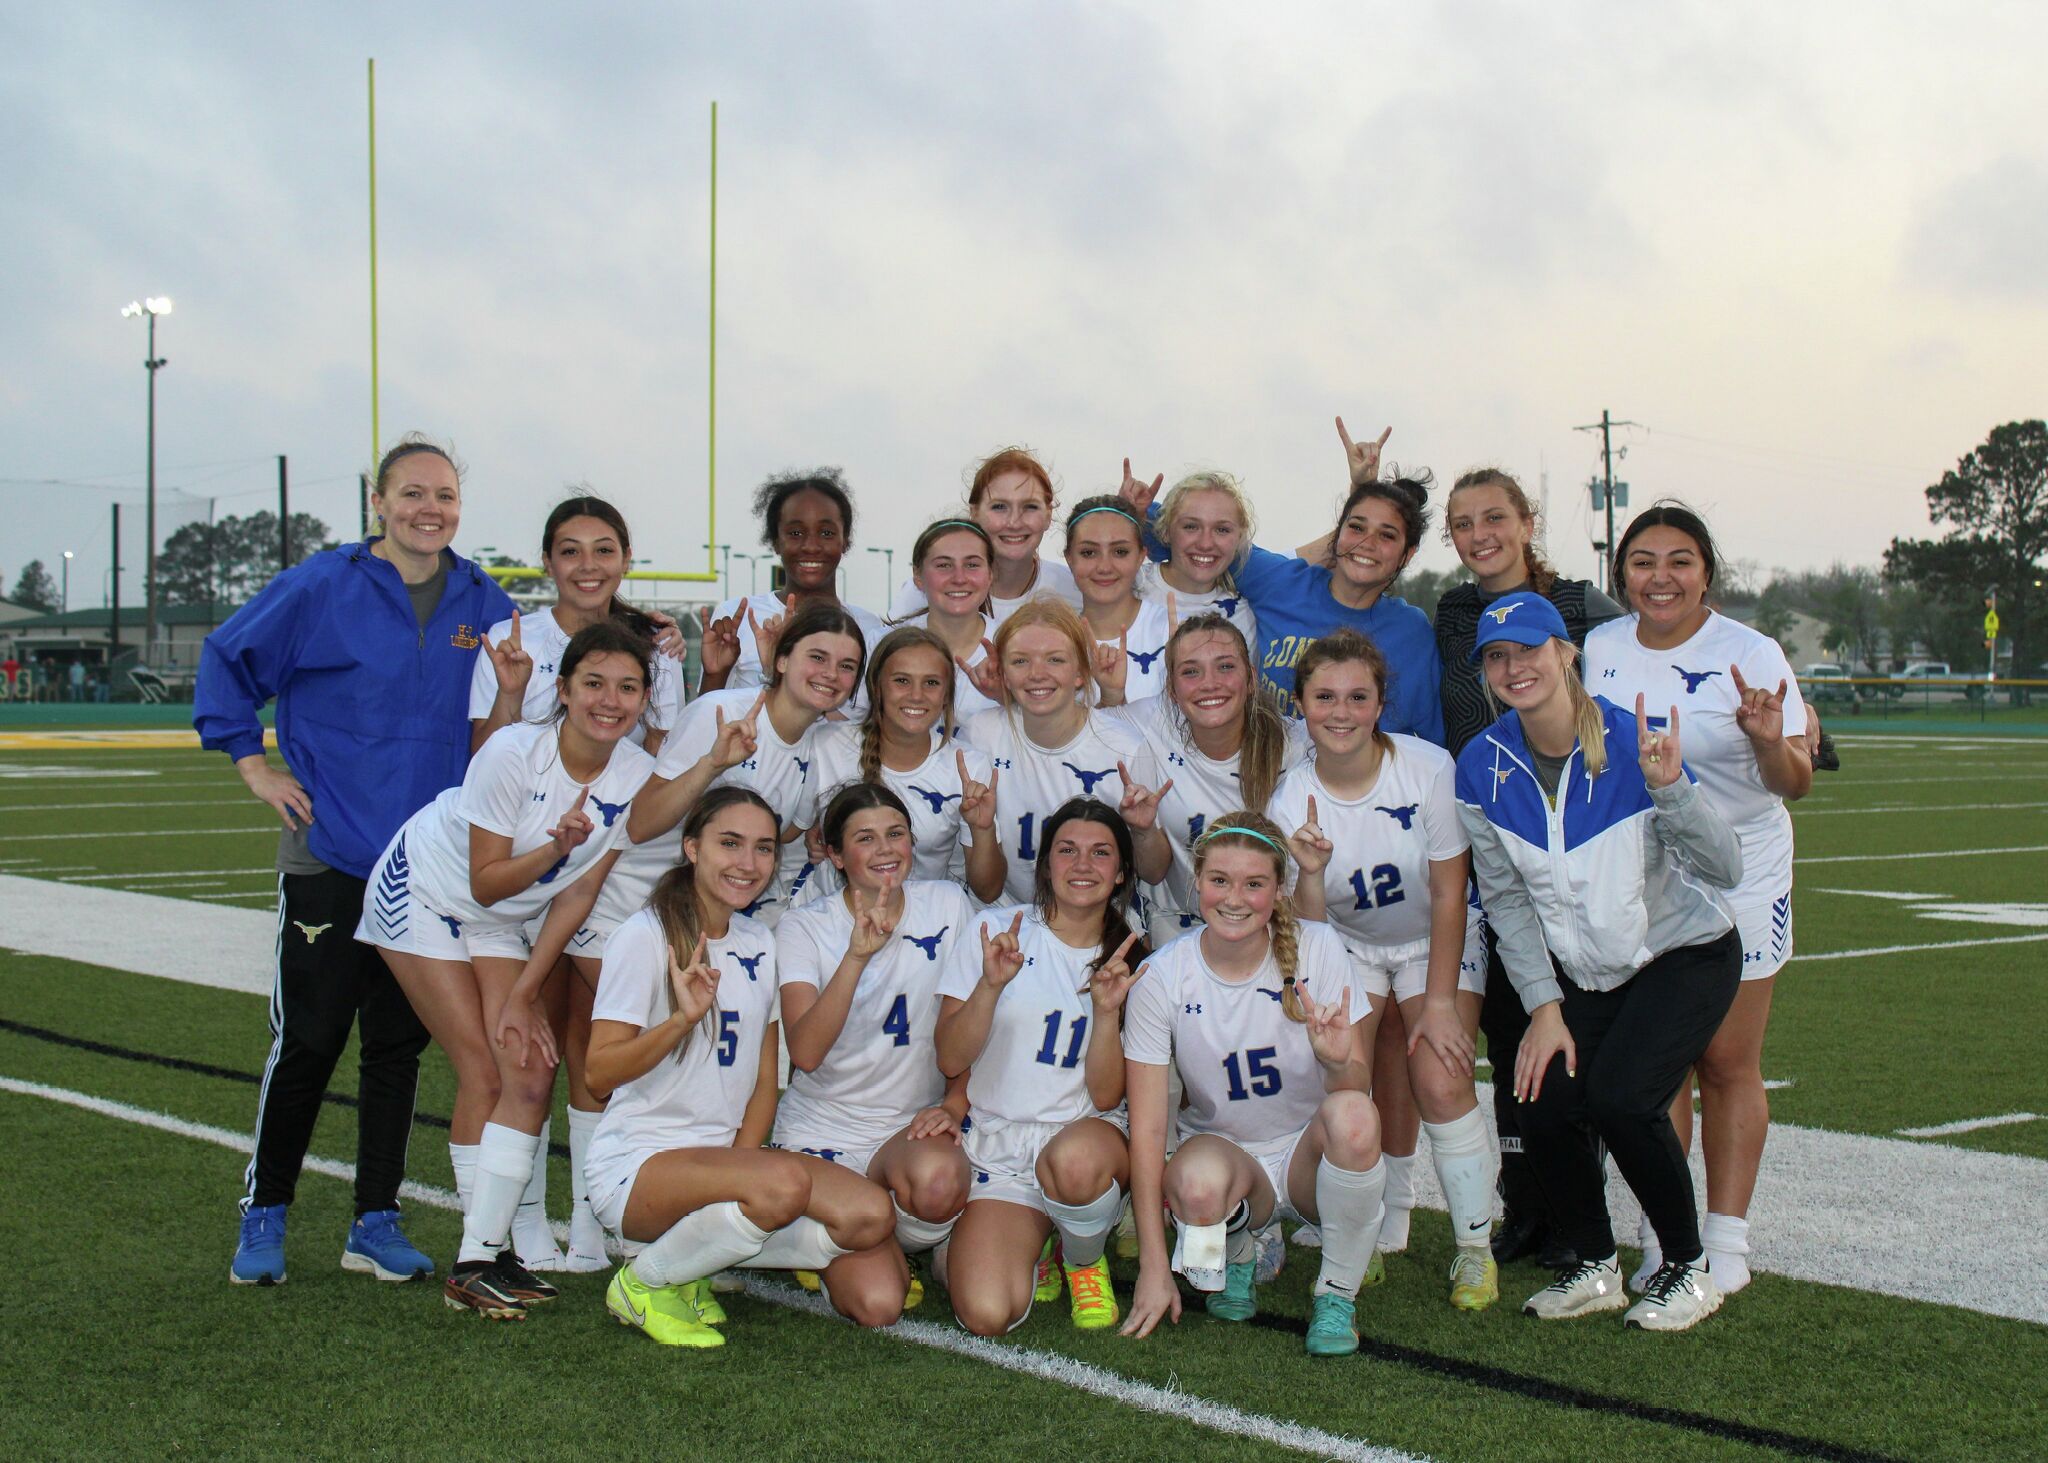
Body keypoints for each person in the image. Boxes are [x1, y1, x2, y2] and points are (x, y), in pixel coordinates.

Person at [195, 434, 515, 1289]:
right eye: (412, 493)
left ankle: (375, 1218)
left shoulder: (484, 601)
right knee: (308, 1037)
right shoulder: (322, 585)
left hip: (427, 868)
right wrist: (251, 762)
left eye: (444, 495)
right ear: (378, 501)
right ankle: (265, 1211)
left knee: (397, 1049)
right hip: (330, 849)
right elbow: (228, 657)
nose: (429, 509)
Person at [1456, 591, 1744, 1332]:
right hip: (1588, 974)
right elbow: (1509, 904)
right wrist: (1545, 1009)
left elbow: (1726, 867)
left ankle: (1689, 1266)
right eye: (1498, 656)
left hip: (1685, 953)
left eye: (1528, 649)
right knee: (1539, 1096)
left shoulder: (1632, 739)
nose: (1514, 667)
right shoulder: (1481, 766)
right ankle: (1595, 1263)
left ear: (1566, 652)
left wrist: (1671, 786)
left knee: (1622, 1097)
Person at [357, 622, 655, 1317]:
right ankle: (476, 1259)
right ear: (563, 689)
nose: (609, 700)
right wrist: (556, 848)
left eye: (627, 686)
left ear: (644, 697)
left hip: (496, 916)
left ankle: (488, 1253)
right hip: (424, 888)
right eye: (593, 683)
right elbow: (488, 881)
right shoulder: (512, 752)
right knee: (485, 1070)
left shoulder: (635, 773)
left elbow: (579, 893)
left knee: (529, 1064)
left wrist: (525, 992)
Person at [584, 788, 905, 1349]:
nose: (748, 863)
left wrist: (740, 1168)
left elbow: (765, 1081)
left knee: (870, 1214)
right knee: (782, 1184)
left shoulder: (759, 939)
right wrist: (680, 1022)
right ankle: (644, 1281)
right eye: (729, 844)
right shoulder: (646, 936)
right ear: (692, 848)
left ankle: (687, 1266)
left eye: (762, 849)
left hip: (722, 1161)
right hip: (639, 1164)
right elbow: (598, 1074)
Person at [1585, 503, 1811, 1296]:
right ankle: (1663, 1236)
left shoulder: (1751, 653)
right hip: (1650, 879)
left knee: (1726, 1059)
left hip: (1742, 868)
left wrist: (1763, 738)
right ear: (1623, 575)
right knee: (1661, 1065)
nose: (1661, 577)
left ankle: (1729, 1240)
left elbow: (1796, 782)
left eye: (1680, 560)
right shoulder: (1600, 648)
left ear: (1707, 571)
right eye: (1643, 561)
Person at [466, 494, 687, 1271]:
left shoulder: (652, 645)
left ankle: (593, 1222)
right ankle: (520, 1228)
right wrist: (506, 687)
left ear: (625, 559)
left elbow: (653, 763)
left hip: (594, 871)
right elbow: (484, 760)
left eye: (604, 549)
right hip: (515, 876)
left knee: (595, 1043)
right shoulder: (509, 638)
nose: (587, 565)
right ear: (549, 560)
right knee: (527, 1053)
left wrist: (702, 672)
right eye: (570, 549)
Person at [1269, 631, 1498, 1306]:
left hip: (1434, 939)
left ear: (1380, 704)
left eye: (1358, 697)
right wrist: (1309, 871)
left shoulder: (1425, 766)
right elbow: (1311, 925)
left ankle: (1475, 1250)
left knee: (1439, 1071)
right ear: (1301, 704)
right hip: (1347, 945)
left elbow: (1452, 892)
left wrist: (1439, 1003)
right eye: (1325, 697)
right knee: (1346, 1085)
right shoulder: (1290, 798)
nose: (1341, 712)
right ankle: (1355, 1237)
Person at [1433, 466, 1623, 1271]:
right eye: (1463, 522)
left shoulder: (1582, 605)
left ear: (1527, 520)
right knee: (1511, 1037)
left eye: (1494, 517)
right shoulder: (1449, 613)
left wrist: (1796, 710)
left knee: (1578, 1040)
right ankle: (1526, 1206)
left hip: (1576, 851)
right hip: (1494, 849)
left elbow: (1668, 638)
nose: (1480, 534)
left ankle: (1576, 1209)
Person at [1119, 814, 1387, 1356]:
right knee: (1192, 1187)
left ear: (1279, 889)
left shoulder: (1319, 948)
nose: (1234, 898)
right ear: (1196, 883)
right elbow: (1147, 1130)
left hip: (1307, 1158)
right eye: (1219, 880)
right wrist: (1153, 1264)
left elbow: (1355, 1084)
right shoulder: (1163, 976)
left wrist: (1335, 1061)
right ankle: (1239, 1249)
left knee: (1356, 1116)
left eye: (1254, 883)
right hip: (1231, 1159)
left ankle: (1336, 1296)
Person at [935, 799, 1146, 1335]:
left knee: (1074, 1161)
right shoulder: (996, 930)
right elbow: (950, 1058)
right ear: (1046, 863)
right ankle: (1036, 1241)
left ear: (1120, 871)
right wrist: (989, 987)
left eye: (1101, 854)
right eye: (1067, 850)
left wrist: (1105, 1014)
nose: (1082, 865)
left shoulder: (1133, 954)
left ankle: (1081, 1255)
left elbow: (1105, 1097)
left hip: (1083, 1140)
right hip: (1001, 1143)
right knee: (985, 1313)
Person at [774, 785, 981, 1303]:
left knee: (938, 1185)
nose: (886, 849)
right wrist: (856, 957)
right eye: (866, 839)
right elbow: (805, 1053)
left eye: (896, 834)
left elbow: (975, 1022)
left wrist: (954, 1102)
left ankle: (862, 1227)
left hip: (909, 1127)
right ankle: (826, 1230)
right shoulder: (805, 926)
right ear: (838, 856)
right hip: (825, 1127)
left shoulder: (949, 905)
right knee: (879, 1304)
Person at [1121, 422, 1443, 739]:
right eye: (1356, 527)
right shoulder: (1279, 582)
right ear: (1338, 532)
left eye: (1387, 536)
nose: (1367, 543)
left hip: (1357, 786)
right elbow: (1192, 541)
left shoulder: (1411, 632)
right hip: (1266, 778)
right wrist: (1134, 511)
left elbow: (1426, 741)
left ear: (1407, 554)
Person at [631, 602, 867, 928]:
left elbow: (783, 834)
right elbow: (640, 825)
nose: (830, 673)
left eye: (847, 666)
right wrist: (712, 765)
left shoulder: (822, 744)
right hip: (645, 902)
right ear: (782, 659)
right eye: (817, 657)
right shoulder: (721, 714)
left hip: (724, 917)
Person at [956, 599, 1174, 906]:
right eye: (1020, 661)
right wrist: (982, 829)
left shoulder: (1126, 747)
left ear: (1081, 673)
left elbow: (1154, 872)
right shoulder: (980, 735)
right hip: (1012, 923)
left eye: (1055, 660)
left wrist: (1143, 830)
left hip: (1099, 925)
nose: (1037, 674)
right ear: (1003, 674)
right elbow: (987, 890)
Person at [804, 627, 1005, 903]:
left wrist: (983, 831)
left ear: (947, 694)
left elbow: (988, 891)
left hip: (922, 922)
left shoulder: (969, 767)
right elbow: (787, 828)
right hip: (834, 918)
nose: (916, 695)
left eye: (931, 683)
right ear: (877, 687)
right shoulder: (827, 745)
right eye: (902, 680)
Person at [697, 468, 887, 704]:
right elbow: (705, 718)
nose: (810, 545)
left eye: (826, 533)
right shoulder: (740, 617)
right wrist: (715, 674)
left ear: (845, 540)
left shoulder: (870, 628)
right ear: (776, 541)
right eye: (795, 533)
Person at [889, 447, 1083, 621]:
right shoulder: (924, 592)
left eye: (1030, 507)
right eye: (999, 507)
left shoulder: (1074, 590)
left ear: (1048, 515)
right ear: (974, 513)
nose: (1014, 522)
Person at [1133, 469, 1261, 653]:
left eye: (1222, 530)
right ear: (1166, 531)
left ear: (1239, 538)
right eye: (1191, 527)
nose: (1205, 543)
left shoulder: (1243, 617)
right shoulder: (1129, 586)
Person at [891, 517, 1002, 721]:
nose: (959, 578)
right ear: (918, 575)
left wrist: (1007, 700)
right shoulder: (883, 645)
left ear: (990, 574)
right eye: (943, 565)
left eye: (972, 564)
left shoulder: (1013, 648)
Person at [1064, 495, 1171, 703]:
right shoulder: (1052, 641)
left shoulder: (1174, 631)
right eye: (1088, 553)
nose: (1104, 567)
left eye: (1120, 552)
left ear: (1141, 556)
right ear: (1069, 559)